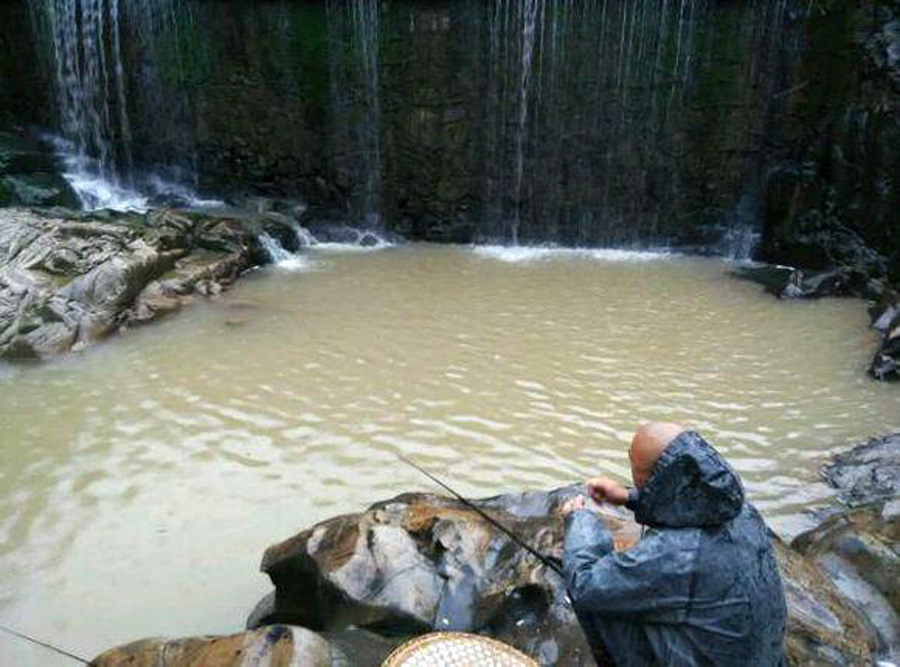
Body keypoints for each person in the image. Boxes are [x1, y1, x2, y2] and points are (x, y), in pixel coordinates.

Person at [561, 423, 787, 666]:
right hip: (765, 658)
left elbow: (586, 584)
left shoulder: (679, 553)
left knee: (602, 600)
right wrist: (629, 497)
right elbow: (692, 503)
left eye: (632, 463)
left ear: (651, 477)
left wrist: (579, 520)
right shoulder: (744, 512)